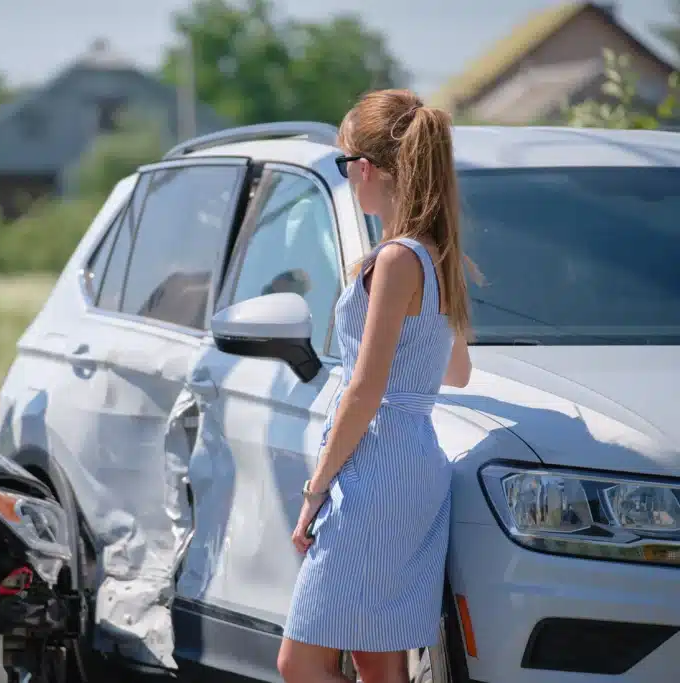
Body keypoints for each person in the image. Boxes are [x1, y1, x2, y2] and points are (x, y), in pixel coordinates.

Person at [277, 88, 477, 683]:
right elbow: (456, 371)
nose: (346, 180)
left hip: (376, 471)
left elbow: (365, 389)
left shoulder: (394, 260)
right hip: (412, 463)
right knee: (377, 660)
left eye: (344, 165)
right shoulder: (437, 256)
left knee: (302, 663)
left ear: (365, 169)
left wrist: (316, 491)